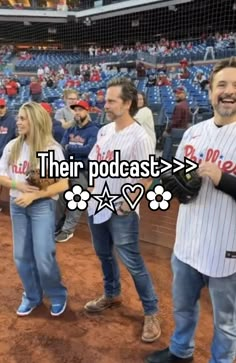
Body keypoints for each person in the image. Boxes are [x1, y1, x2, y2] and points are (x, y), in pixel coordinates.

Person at [145, 57, 236, 363]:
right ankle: (180, 352)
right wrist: (174, 185)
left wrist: (221, 178)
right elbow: (177, 183)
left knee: (226, 322)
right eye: (221, 84)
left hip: (228, 248)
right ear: (211, 91)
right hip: (186, 241)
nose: (228, 91)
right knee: (183, 307)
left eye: (235, 85)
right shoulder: (193, 133)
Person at [85, 78, 161, 343]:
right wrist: (94, 187)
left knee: (133, 262)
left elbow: (147, 177)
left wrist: (129, 203)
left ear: (127, 103)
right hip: (97, 206)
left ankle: (151, 311)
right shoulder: (104, 131)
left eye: (111, 101)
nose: (105, 105)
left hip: (121, 211)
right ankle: (112, 294)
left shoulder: (140, 136)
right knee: (103, 254)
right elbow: (94, 162)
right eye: (106, 100)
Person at [0, 102, 68, 317]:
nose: (17, 122)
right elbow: (1, 175)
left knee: (43, 254)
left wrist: (35, 195)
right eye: (18, 118)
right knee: (21, 255)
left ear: (35, 120)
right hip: (17, 205)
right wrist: (17, 185)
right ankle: (32, 296)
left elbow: (62, 184)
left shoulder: (51, 148)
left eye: (22, 118)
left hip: (41, 206)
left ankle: (57, 294)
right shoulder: (13, 146)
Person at [55, 100, 99, 243]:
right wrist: (69, 149)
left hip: (83, 170)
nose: (77, 112)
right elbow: (62, 147)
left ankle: (68, 230)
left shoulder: (94, 130)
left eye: (80, 110)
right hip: (68, 167)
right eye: (75, 110)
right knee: (60, 197)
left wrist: (70, 148)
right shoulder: (70, 130)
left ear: (87, 111)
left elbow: (89, 150)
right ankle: (57, 225)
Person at [0, 98, 16, 211]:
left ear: (5, 107)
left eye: (2, 107)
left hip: (5, 155)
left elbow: (15, 138)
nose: (0, 110)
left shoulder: (12, 121)